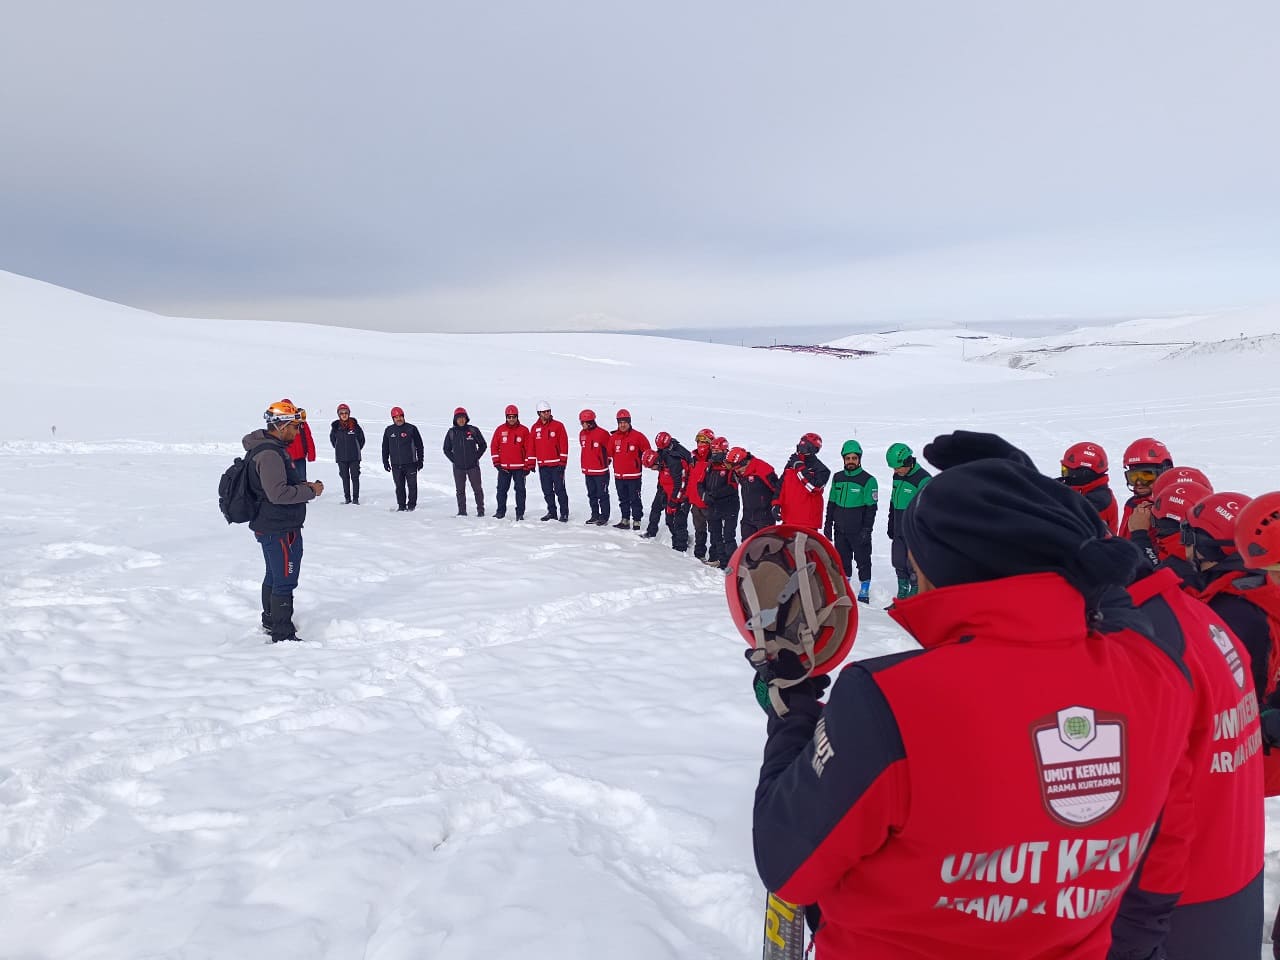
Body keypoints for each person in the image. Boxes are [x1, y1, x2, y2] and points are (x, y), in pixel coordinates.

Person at [743, 432, 1195, 960]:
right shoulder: (1156, 673)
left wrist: (792, 711)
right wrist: (1030, 496)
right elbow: (1115, 600)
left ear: (939, 569)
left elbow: (786, 860)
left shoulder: (887, 702)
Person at [243, 400, 322, 643]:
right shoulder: (269, 454)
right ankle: (282, 632)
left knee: (275, 575)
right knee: (285, 579)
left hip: (274, 525)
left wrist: (302, 486)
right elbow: (278, 494)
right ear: (281, 426)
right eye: (295, 428)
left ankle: (271, 620)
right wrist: (311, 492)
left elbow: (276, 487)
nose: (297, 433)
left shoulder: (272, 450)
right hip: (278, 527)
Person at [824, 440, 878, 603]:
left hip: (859, 529)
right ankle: (845, 584)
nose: (851, 461)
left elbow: (871, 508)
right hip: (840, 528)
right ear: (843, 459)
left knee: (862, 559)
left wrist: (867, 529)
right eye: (848, 458)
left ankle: (864, 588)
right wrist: (828, 523)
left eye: (854, 458)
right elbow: (832, 502)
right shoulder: (837, 477)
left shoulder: (868, 480)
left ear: (859, 459)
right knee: (842, 558)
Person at [886, 442, 931, 600]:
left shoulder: (923, 480)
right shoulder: (897, 475)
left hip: (914, 530)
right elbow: (893, 501)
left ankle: (914, 596)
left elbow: (928, 510)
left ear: (907, 461)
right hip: (899, 527)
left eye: (897, 467)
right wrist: (891, 522)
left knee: (912, 565)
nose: (895, 471)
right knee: (898, 560)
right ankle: (902, 594)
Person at [1119, 438, 1173, 541]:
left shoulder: (1168, 509)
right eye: (1133, 477)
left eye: (1146, 476)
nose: (1139, 483)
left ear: (1163, 473)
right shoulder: (1132, 504)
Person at [1059, 441, 1117, 534]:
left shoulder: (1100, 500)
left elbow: (1067, 513)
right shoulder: (1082, 489)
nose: (1065, 476)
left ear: (1083, 474)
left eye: (1066, 471)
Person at [777, 432, 830, 531]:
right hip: (787, 520)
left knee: (803, 547)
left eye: (806, 445)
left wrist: (799, 467)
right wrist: (775, 504)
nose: (801, 448)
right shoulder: (791, 464)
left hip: (807, 524)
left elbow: (814, 488)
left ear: (814, 449)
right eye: (801, 444)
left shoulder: (822, 470)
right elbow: (781, 486)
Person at [608, 409, 651, 531]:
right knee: (623, 499)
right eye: (620, 422)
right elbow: (609, 453)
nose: (622, 425)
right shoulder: (614, 437)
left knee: (635, 499)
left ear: (629, 422)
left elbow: (648, 453)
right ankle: (625, 519)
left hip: (634, 476)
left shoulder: (638, 436)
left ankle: (637, 520)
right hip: (619, 476)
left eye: (625, 422)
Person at [491, 404, 534, 520]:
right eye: (509, 417)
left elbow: (529, 449)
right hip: (504, 468)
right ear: (506, 417)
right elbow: (494, 447)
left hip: (520, 468)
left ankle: (520, 513)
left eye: (513, 416)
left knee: (520, 491)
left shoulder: (524, 430)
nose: (511, 419)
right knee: (501, 491)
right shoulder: (500, 430)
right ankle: (500, 512)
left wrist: (528, 466)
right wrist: (497, 464)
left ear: (517, 417)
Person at [442, 406, 487, 516]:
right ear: (455, 419)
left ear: (466, 418)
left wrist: (476, 457)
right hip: (458, 468)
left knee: (477, 489)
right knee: (460, 491)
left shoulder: (473, 430)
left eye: (463, 417)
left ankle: (481, 511)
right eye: (459, 418)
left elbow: (483, 445)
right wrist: (455, 460)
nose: (461, 420)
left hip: (473, 467)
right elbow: (446, 449)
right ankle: (462, 511)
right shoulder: (451, 433)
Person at [702, 436, 739, 569]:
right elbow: (701, 482)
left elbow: (733, 486)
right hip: (713, 504)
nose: (714, 454)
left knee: (729, 535)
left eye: (717, 452)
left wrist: (714, 495)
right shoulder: (709, 465)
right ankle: (720, 559)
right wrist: (704, 495)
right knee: (715, 533)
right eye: (713, 452)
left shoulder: (730, 466)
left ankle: (732, 563)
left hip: (729, 505)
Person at [652, 431, 692, 552]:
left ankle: (681, 547)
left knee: (679, 521)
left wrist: (674, 501)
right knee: (670, 520)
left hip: (681, 495)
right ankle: (678, 542)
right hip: (671, 492)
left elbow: (681, 482)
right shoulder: (667, 453)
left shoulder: (675, 460)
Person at [531, 400, 570, 522]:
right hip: (543, 466)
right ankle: (552, 512)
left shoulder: (558, 426)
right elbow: (532, 447)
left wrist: (562, 463)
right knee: (547, 491)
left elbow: (564, 444)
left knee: (560, 490)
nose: (546, 414)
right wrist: (531, 463)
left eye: (548, 411)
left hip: (556, 465)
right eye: (544, 412)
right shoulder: (535, 428)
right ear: (539, 413)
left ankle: (564, 513)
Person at [728, 447, 780, 539]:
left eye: (738, 468)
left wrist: (777, 506)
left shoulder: (763, 469)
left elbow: (778, 490)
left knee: (765, 549)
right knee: (747, 547)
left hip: (764, 518)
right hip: (747, 517)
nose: (737, 471)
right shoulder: (739, 472)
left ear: (745, 462)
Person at [382, 406, 424, 511]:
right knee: (399, 486)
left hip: (411, 464)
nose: (398, 419)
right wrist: (385, 461)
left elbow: (419, 445)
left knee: (412, 486)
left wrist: (420, 460)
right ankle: (401, 506)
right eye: (396, 417)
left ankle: (411, 506)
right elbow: (385, 447)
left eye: (400, 416)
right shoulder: (389, 430)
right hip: (396, 464)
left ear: (403, 416)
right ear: (393, 418)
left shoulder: (411, 429)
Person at [578, 409, 612, 525]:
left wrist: (606, 460)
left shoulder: (602, 433)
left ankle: (604, 516)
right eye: (581, 422)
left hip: (601, 471)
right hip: (588, 471)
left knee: (602, 494)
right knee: (591, 494)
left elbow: (610, 450)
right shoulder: (582, 434)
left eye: (584, 422)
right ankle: (595, 515)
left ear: (591, 422)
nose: (582, 424)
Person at [687, 428, 716, 559]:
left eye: (704, 441)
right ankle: (699, 554)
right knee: (699, 530)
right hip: (695, 502)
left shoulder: (715, 460)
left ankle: (715, 556)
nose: (700, 444)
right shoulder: (693, 459)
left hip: (709, 503)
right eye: (698, 441)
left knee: (714, 531)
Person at [329, 403, 365, 504]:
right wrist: (339, 449)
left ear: (349, 413)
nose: (344, 415)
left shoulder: (355, 426)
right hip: (341, 458)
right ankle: (347, 498)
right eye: (341, 413)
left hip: (354, 457)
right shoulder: (336, 427)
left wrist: (356, 449)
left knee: (355, 477)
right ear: (338, 414)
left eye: (346, 413)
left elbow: (362, 440)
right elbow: (333, 440)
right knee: (345, 478)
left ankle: (355, 499)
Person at [282, 398, 317, 481]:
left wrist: (311, 454)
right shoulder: (280, 425)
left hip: (300, 457)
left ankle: (303, 493)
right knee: (288, 481)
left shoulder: (301, 422)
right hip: (286, 459)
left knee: (302, 480)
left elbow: (308, 438)